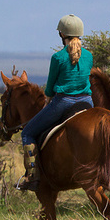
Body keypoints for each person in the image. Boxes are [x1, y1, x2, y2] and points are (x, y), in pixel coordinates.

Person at [16, 14, 93, 192]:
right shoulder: (88, 56)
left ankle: (32, 176)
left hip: (64, 102)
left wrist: (48, 100)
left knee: (28, 132)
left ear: (61, 34)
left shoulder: (58, 57)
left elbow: (50, 87)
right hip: (87, 102)